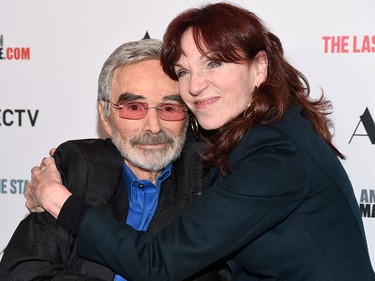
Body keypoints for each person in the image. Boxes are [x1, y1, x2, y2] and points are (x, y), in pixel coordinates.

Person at [24, 2, 375, 281]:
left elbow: (158, 264)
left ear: (259, 68)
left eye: (214, 64)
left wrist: (56, 198)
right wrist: (64, 164)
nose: (194, 85)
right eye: (184, 71)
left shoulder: (276, 155)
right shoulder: (255, 132)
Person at [0, 39, 227, 280]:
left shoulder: (209, 175)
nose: (153, 126)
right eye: (133, 107)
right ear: (105, 116)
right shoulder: (76, 166)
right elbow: (22, 271)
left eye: (169, 108)